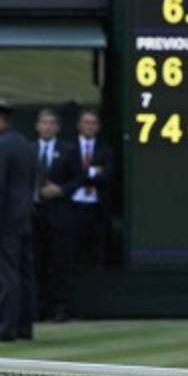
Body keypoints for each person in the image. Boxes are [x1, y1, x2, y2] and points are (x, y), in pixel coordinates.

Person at [0, 99, 37, 343]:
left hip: (7, 222)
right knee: (24, 273)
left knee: (7, 275)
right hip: (25, 218)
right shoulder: (25, 144)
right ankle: (24, 326)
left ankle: (5, 327)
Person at [32, 108, 81, 323]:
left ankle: (61, 308)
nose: (48, 127)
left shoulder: (69, 150)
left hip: (61, 217)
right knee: (39, 263)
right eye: (44, 123)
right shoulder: (29, 150)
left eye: (52, 123)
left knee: (60, 264)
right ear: (37, 126)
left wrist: (60, 190)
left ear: (58, 127)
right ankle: (40, 307)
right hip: (35, 216)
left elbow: (78, 179)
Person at [69, 108, 111, 269]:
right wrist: (92, 172)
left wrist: (82, 174)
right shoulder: (69, 148)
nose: (90, 126)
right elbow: (69, 174)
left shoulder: (105, 150)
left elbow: (107, 176)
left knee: (96, 252)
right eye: (86, 122)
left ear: (98, 127)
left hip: (97, 208)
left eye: (93, 123)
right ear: (79, 125)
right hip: (73, 206)